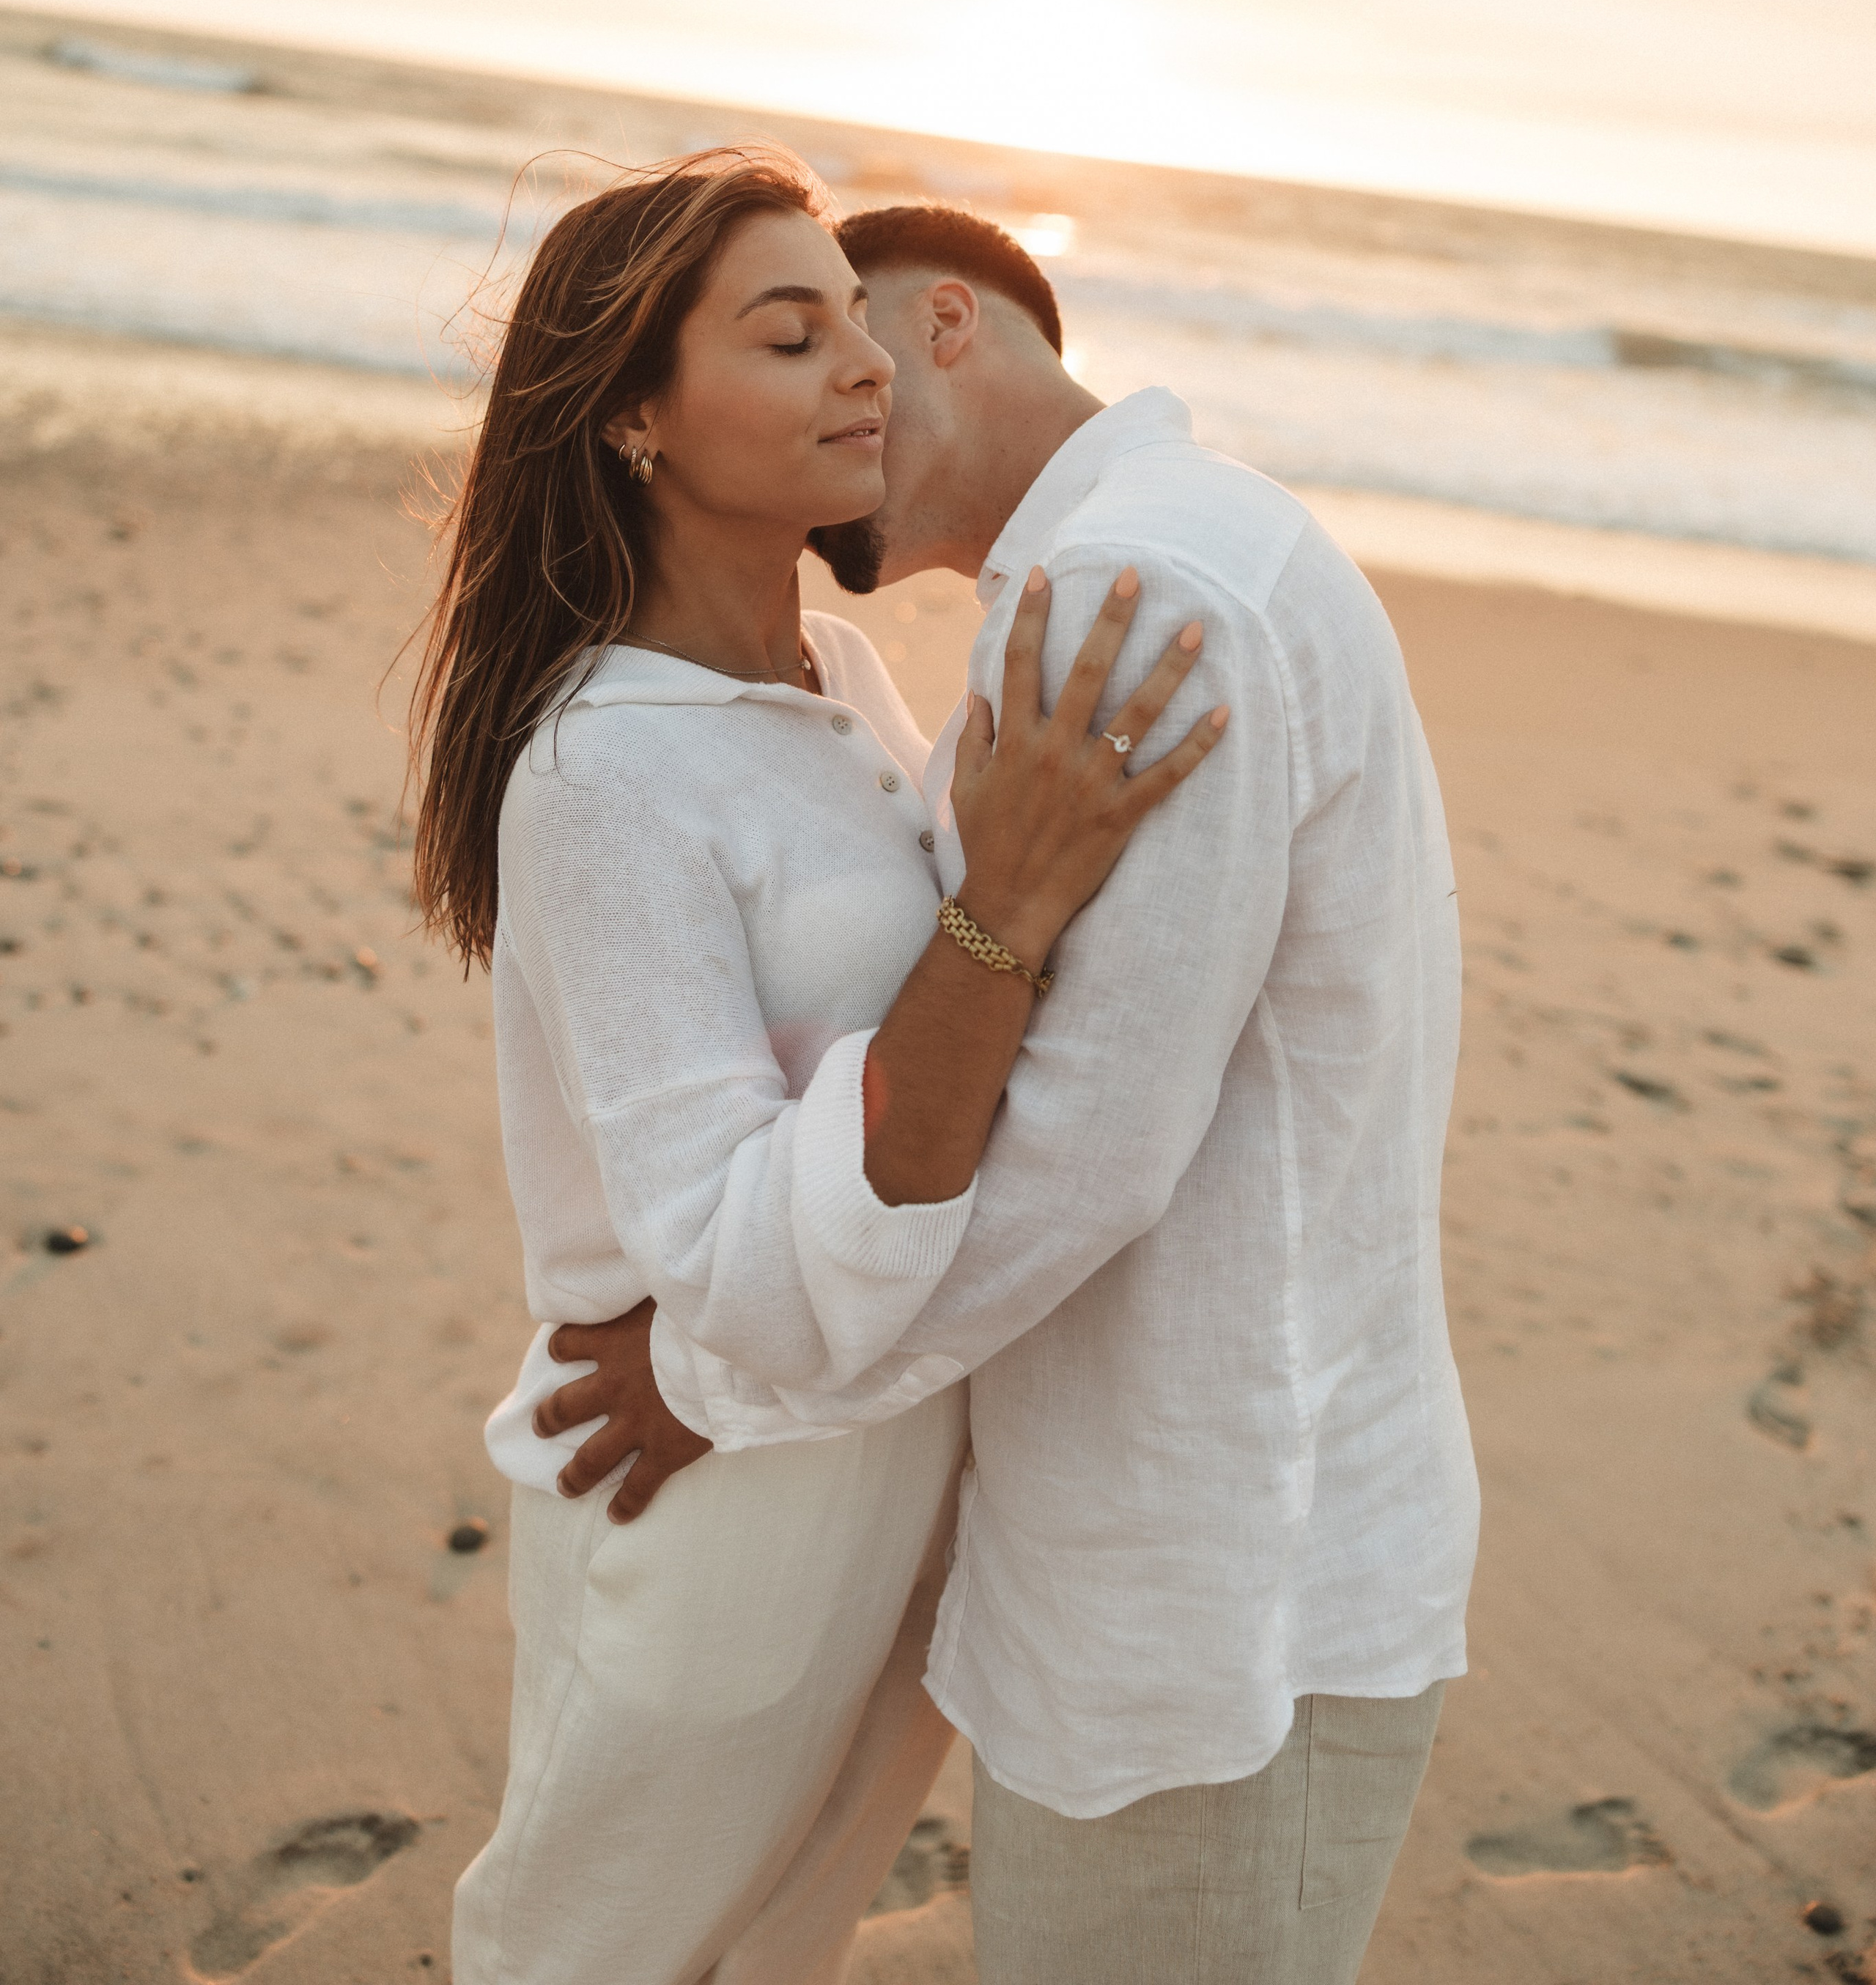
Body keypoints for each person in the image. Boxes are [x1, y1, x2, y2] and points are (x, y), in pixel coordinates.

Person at [537, 203, 1480, 1985]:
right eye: (787, 343)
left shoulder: (1138, 600)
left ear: (945, 319)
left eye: (851, 339)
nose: (843, 412)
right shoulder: (1169, 553)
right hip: (1190, 1533)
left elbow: (1080, 1153)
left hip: (1209, 1589)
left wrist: (707, 1377)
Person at [408, 152, 1226, 1985]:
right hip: (711, 1489)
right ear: (633, 416)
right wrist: (1006, 891)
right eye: (791, 338)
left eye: (857, 327)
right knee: (594, 1952)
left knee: (782, 1947)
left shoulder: (843, 672)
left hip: (882, 1448)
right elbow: (716, 1235)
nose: (864, 367)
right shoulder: (602, 773)